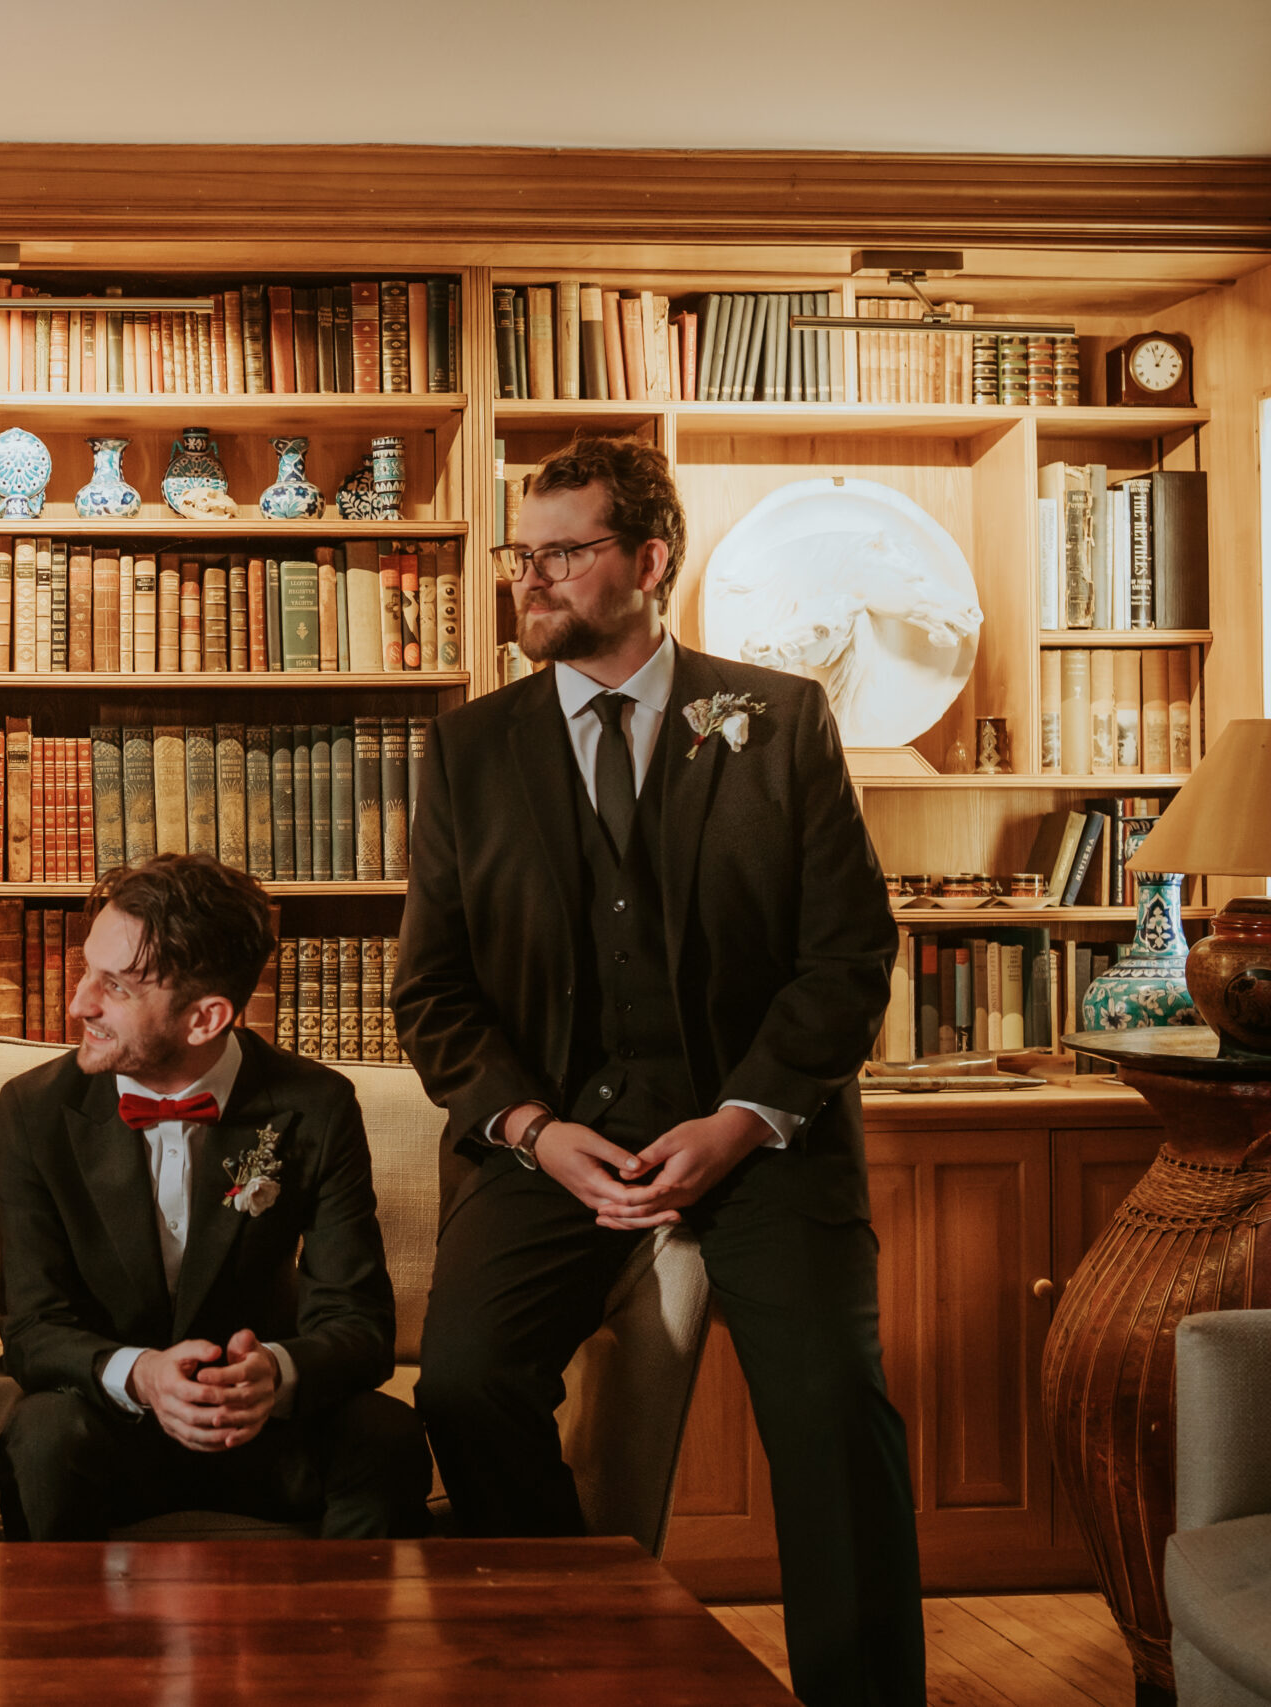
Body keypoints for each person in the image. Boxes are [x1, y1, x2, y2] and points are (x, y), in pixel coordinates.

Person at [392, 436, 923, 1705]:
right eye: (525, 556)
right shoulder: (467, 752)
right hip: (553, 1145)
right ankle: (580, 1658)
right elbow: (433, 992)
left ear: (650, 559)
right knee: (465, 1386)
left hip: (764, 1142)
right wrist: (529, 1128)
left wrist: (742, 1118)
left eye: (565, 553)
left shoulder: (781, 719)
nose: (533, 579)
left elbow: (846, 959)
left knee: (832, 1413)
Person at [0, 854, 426, 1540]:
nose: (79, 1002)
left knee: (388, 1436)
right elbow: (32, 1327)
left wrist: (274, 1374)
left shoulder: (315, 1105)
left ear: (205, 1018)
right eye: (86, 971)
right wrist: (144, 1376)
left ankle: (343, 1643)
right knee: (43, 1436)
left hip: (257, 1434)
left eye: (114, 985)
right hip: (107, 1427)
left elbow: (360, 1324)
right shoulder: (33, 1110)